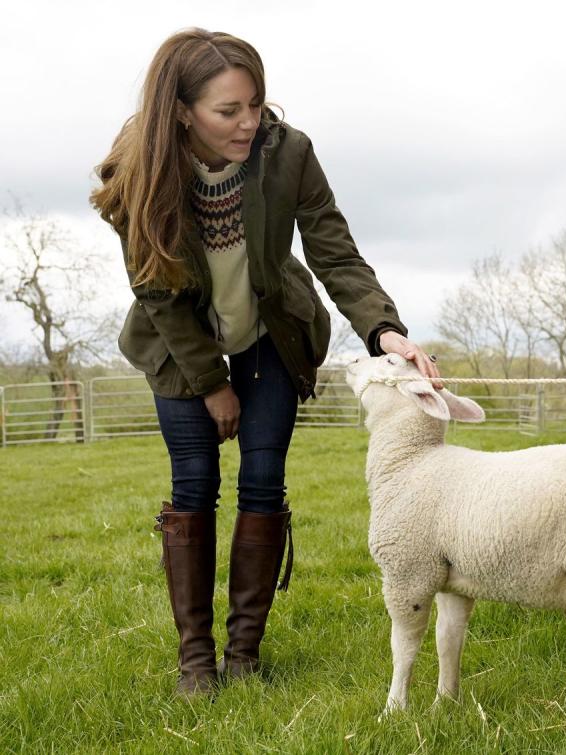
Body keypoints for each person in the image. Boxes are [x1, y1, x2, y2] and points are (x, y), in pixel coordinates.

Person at [91, 28, 439, 697]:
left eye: (256, 103)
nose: (249, 121)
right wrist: (213, 386)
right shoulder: (141, 171)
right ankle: (196, 660)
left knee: (262, 478)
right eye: (229, 111)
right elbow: (157, 292)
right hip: (180, 341)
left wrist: (384, 331)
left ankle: (244, 651)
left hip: (269, 332)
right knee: (193, 481)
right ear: (184, 111)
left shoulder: (288, 155)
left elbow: (334, 250)